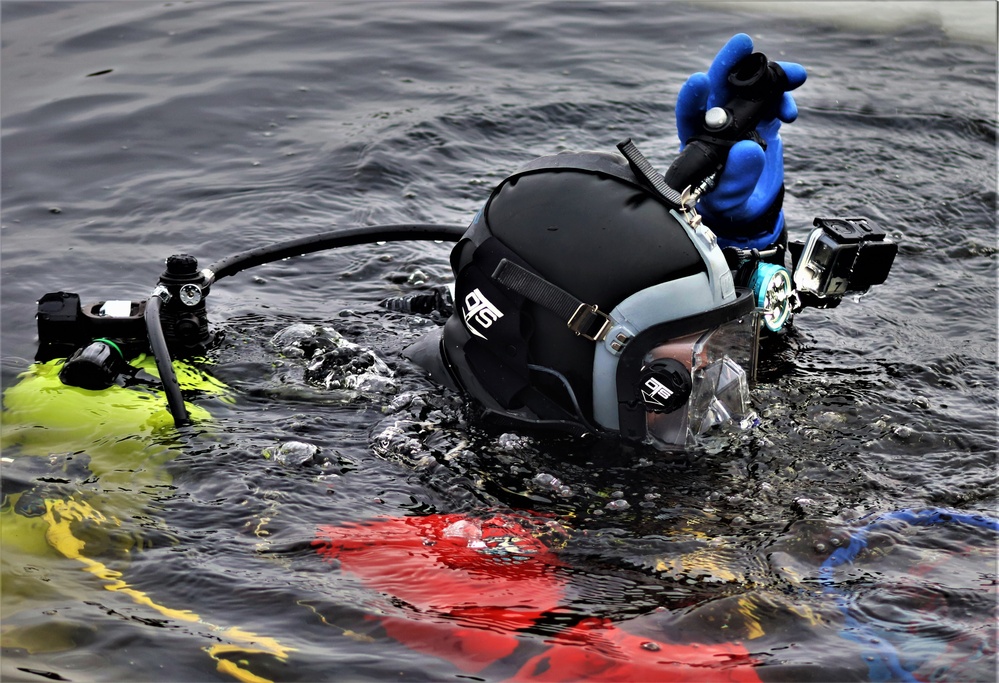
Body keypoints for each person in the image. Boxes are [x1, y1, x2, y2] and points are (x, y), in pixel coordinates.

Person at [404, 33, 808, 450]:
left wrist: (748, 244)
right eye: (672, 366)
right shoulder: (459, 492)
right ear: (574, 366)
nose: (717, 377)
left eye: (719, 341)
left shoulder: (625, 407)